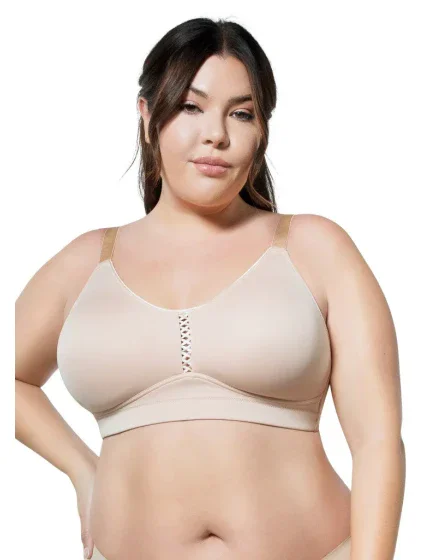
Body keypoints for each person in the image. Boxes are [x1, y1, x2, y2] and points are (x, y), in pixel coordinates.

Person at [15, 17, 405, 560]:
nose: (216, 134)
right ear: (147, 116)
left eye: (241, 113)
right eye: (190, 107)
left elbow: (377, 441)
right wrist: (82, 469)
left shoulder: (316, 248)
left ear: (262, 131)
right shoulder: (85, 262)